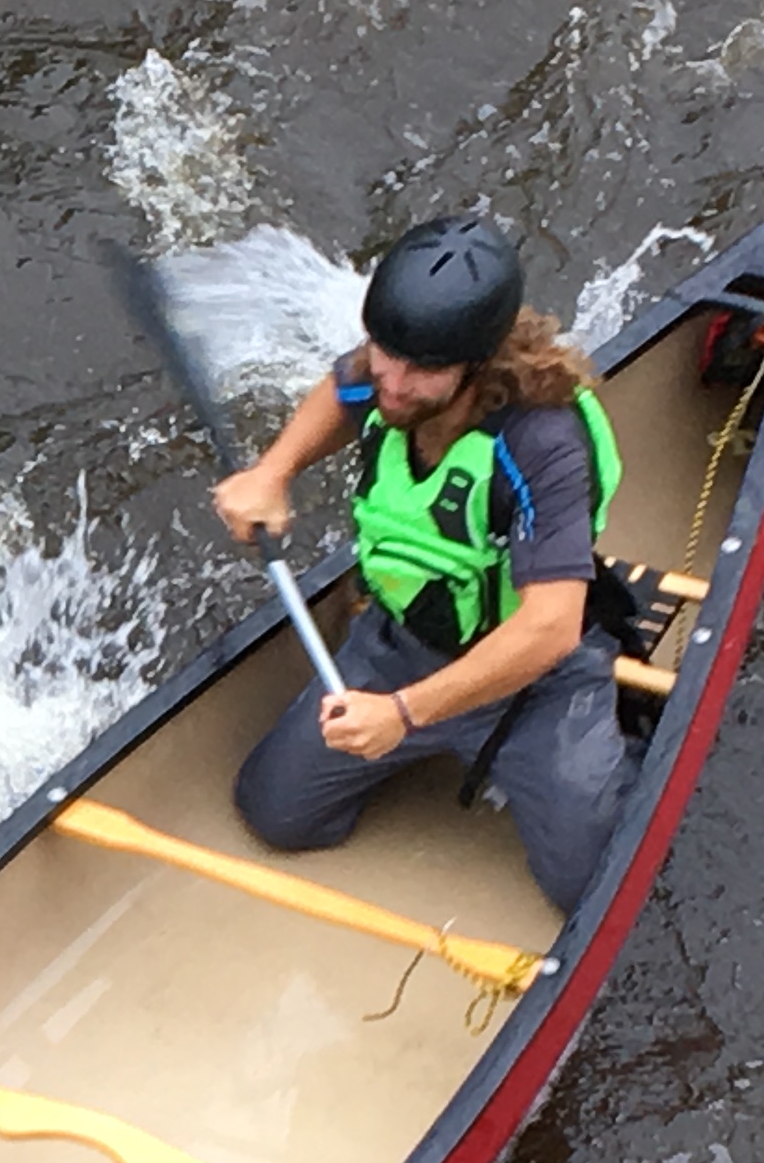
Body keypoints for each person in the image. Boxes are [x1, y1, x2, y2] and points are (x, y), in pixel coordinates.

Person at [215, 213, 633, 915]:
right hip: (401, 647)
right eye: (385, 352)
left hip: (535, 682)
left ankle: (623, 747)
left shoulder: (543, 443)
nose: (393, 384)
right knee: (274, 814)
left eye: (422, 371)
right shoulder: (392, 367)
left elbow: (551, 628)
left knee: (589, 886)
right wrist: (273, 471)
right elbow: (343, 387)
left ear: (478, 364)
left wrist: (402, 716)